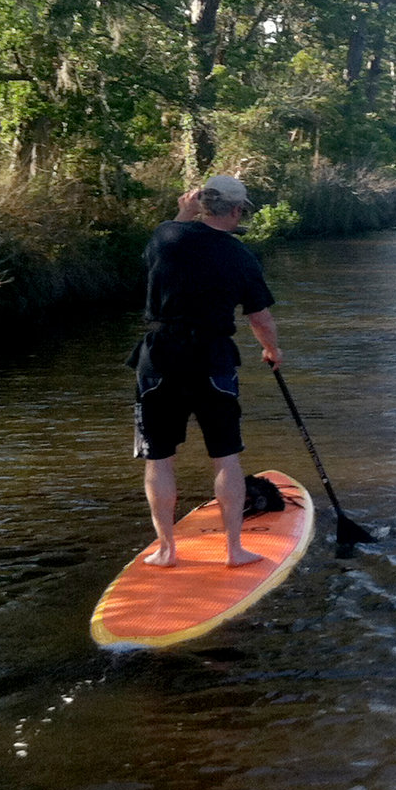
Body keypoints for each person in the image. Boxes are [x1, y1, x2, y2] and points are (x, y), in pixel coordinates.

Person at [129, 174, 282, 568]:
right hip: (212, 358)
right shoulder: (241, 255)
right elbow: (260, 317)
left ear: (200, 204)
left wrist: (183, 212)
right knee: (226, 457)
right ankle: (234, 551)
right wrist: (271, 350)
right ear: (234, 210)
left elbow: (166, 242)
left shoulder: (166, 236)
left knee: (159, 459)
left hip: (159, 357)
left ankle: (166, 551)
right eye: (240, 211)